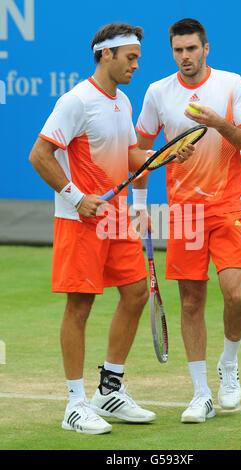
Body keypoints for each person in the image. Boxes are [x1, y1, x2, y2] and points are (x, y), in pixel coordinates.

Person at [29, 22, 194, 435]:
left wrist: (166, 155)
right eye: (131, 57)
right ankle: (74, 403)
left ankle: (109, 389)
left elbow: (131, 154)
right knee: (80, 306)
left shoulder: (121, 100)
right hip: (80, 219)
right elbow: (40, 153)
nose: (137, 65)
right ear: (107, 54)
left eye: (138, 57)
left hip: (114, 217)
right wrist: (75, 196)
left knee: (137, 293)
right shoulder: (76, 101)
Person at [135, 18, 241, 423]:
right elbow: (139, 155)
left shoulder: (230, 84)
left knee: (236, 293)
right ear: (172, 52)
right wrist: (142, 202)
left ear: (206, 48)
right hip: (184, 211)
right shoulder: (158, 93)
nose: (185, 57)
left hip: (227, 205)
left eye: (192, 48)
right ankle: (201, 393)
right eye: (178, 50)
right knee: (191, 301)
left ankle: (229, 363)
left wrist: (219, 124)